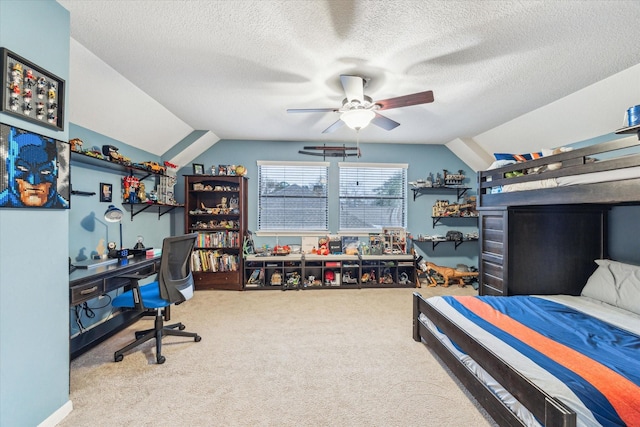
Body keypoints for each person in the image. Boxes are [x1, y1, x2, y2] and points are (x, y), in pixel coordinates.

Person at [0, 125, 69, 208]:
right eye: (23, 168)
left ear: (56, 172)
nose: (33, 181)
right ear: (8, 166)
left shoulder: (64, 207)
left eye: (45, 171)